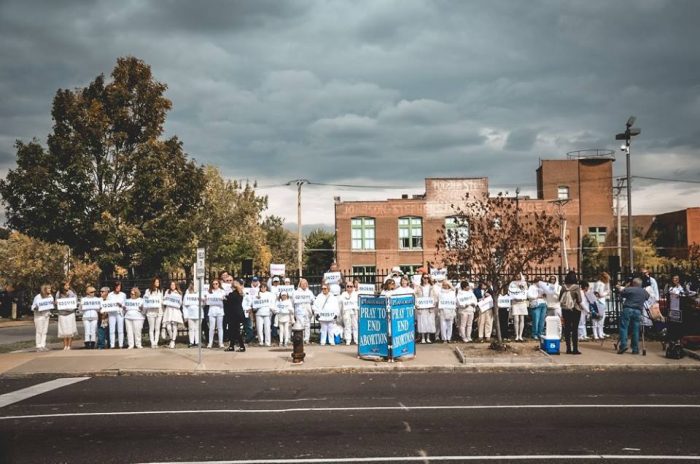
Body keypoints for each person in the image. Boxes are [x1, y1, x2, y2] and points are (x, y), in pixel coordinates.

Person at [616, 277, 650, 355]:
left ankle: (623, 345)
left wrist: (625, 286)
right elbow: (647, 297)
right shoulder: (644, 292)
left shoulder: (630, 289)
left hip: (628, 309)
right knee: (635, 330)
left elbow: (622, 293)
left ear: (634, 283)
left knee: (624, 327)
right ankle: (635, 349)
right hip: (638, 311)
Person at [560, 271, 583, 355]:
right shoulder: (576, 287)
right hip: (575, 309)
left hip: (565, 310)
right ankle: (575, 349)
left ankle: (568, 349)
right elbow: (579, 300)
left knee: (567, 329)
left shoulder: (563, 287)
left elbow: (560, 298)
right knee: (574, 329)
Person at [225, 279, 247, 352]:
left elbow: (228, 302)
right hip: (238, 313)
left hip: (234, 314)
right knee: (234, 330)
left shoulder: (232, 294)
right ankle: (231, 346)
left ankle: (242, 346)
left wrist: (225, 298)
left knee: (235, 331)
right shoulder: (240, 293)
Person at [55, 281, 78, 350]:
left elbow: (75, 301)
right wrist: (56, 303)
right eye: (66, 285)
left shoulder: (72, 293)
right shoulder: (58, 293)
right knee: (64, 330)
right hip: (62, 314)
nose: (68, 286)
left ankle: (69, 346)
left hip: (70, 313)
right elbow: (56, 302)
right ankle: (65, 345)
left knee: (70, 330)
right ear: (63, 286)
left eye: (68, 285)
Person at [31, 284, 54, 351]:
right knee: (39, 331)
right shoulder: (38, 297)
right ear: (44, 289)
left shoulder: (50, 296)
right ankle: (38, 346)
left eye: (50, 288)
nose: (50, 290)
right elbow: (33, 307)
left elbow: (50, 305)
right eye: (48, 288)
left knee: (45, 331)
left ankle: (43, 345)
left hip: (46, 316)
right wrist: (36, 308)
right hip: (39, 316)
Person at [416, 274, 437, 343]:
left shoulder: (432, 287)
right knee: (422, 322)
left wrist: (434, 302)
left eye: (427, 278)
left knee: (429, 322)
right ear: (422, 278)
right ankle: (422, 338)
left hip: (429, 307)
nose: (426, 279)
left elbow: (435, 297)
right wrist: (416, 304)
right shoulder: (419, 287)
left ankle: (428, 337)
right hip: (422, 307)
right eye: (424, 278)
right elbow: (415, 296)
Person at [143, 277, 164, 348]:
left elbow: (161, 301)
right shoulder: (148, 291)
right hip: (150, 312)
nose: (158, 283)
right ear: (153, 283)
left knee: (157, 328)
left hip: (159, 312)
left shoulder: (160, 291)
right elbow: (145, 301)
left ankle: (156, 342)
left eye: (158, 282)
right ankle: (152, 342)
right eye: (156, 282)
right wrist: (144, 311)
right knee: (151, 328)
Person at [293, 278, 315, 344]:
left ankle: (307, 339)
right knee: (300, 325)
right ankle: (300, 339)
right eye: (303, 283)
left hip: (307, 310)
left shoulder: (309, 292)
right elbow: (293, 301)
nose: (304, 285)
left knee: (307, 325)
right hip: (299, 311)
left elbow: (313, 300)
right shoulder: (296, 292)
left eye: (305, 283)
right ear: (300, 284)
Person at [162, 281, 184, 348]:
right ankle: (171, 338)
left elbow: (180, 303)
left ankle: (173, 341)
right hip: (168, 310)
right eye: (171, 284)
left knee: (174, 326)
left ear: (176, 285)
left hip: (175, 310)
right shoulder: (167, 291)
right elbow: (164, 299)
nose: (172, 286)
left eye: (173, 285)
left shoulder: (179, 293)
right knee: (168, 327)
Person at [206, 279, 226, 349]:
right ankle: (210, 343)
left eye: (216, 284)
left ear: (219, 284)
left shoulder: (222, 291)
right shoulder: (209, 292)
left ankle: (221, 343)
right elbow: (207, 299)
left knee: (220, 327)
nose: (215, 285)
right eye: (213, 284)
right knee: (211, 328)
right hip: (212, 310)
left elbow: (224, 298)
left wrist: (222, 298)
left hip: (220, 310)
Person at [509, 273, 529, 342]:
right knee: (516, 320)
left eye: (519, 275)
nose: (517, 276)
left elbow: (525, 291)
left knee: (522, 319)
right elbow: (510, 292)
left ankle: (520, 335)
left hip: (522, 303)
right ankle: (516, 335)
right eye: (516, 275)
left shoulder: (524, 283)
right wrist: (514, 298)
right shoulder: (512, 283)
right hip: (515, 303)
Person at [253, 282, 274, 346]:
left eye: (264, 287)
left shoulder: (270, 294)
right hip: (259, 313)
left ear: (266, 288)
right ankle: (261, 341)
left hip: (267, 313)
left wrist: (271, 311)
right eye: (261, 287)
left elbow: (272, 303)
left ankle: (267, 342)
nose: (263, 288)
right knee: (259, 328)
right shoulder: (257, 294)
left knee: (267, 328)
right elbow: (254, 304)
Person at [108, 282, 127, 349]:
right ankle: (112, 345)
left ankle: (120, 344)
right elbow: (108, 304)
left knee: (120, 329)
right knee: (112, 329)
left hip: (120, 313)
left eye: (119, 286)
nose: (118, 288)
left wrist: (121, 305)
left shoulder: (123, 295)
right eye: (117, 286)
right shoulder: (110, 295)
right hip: (112, 313)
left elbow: (125, 305)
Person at [592, 272, 611, 340]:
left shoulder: (603, 284)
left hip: (602, 302)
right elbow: (597, 294)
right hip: (598, 302)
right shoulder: (598, 283)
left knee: (601, 319)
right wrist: (606, 293)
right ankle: (595, 334)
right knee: (596, 318)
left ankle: (600, 332)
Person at [183, 282, 202, 347]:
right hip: (190, 314)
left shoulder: (200, 294)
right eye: (193, 286)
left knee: (197, 328)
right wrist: (185, 316)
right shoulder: (187, 294)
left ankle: (197, 342)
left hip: (198, 313)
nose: (194, 287)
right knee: (191, 328)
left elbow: (203, 304)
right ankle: (191, 342)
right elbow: (184, 306)